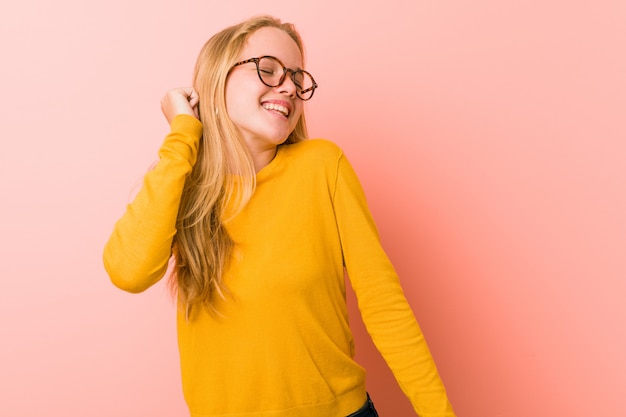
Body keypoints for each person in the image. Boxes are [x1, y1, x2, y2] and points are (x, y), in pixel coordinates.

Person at [103, 15, 456, 417]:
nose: (288, 86)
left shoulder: (323, 166)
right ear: (217, 80)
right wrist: (183, 132)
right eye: (268, 70)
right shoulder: (182, 183)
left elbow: (384, 304)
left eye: (296, 78)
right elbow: (128, 272)